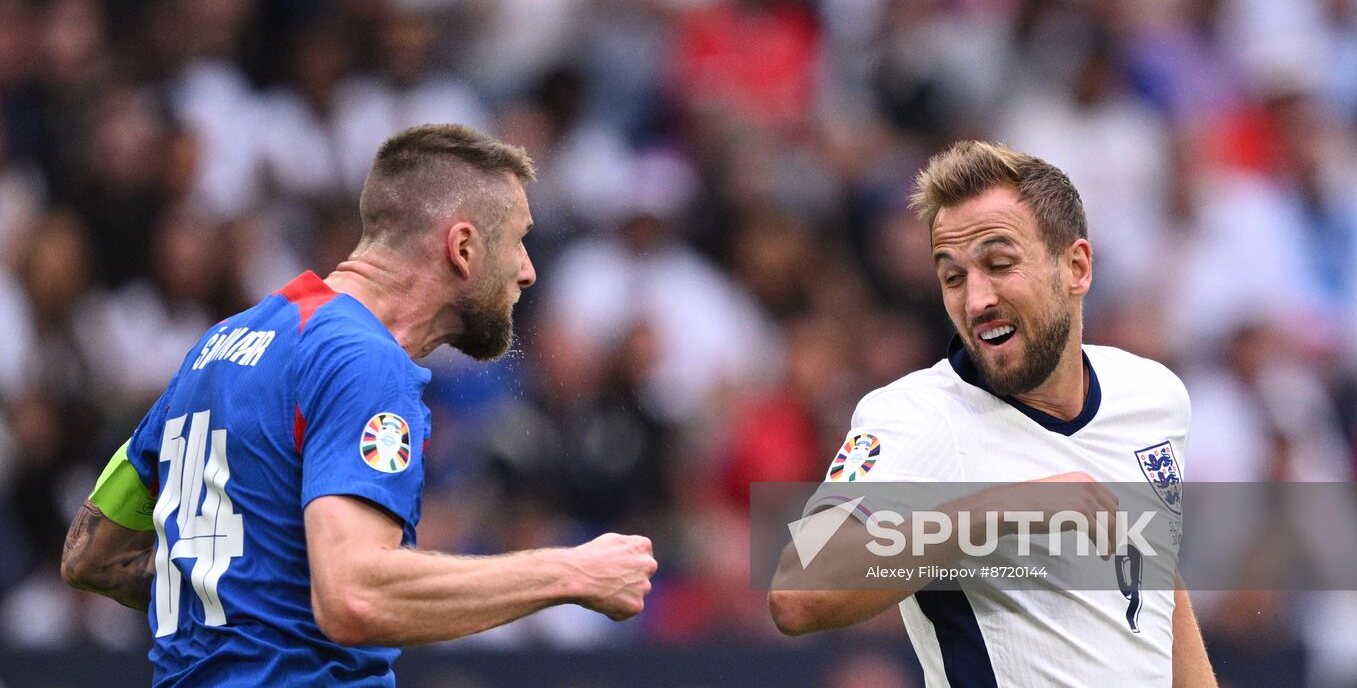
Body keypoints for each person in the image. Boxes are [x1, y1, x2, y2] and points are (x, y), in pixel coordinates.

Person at [60, 123, 657, 685]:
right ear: (464, 247)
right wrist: (570, 573)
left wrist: (242, 592)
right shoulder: (364, 360)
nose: (528, 271)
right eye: (520, 240)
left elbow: (90, 554)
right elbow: (356, 597)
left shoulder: (219, 345)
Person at [768, 141, 1217, 687]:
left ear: (1075, 267)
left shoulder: (1153, 395)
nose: (975, 299)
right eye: (953, 277)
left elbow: (1159, 586)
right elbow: (798, 592)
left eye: (999, 265)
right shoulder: (915, 416)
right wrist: (1006, 505)